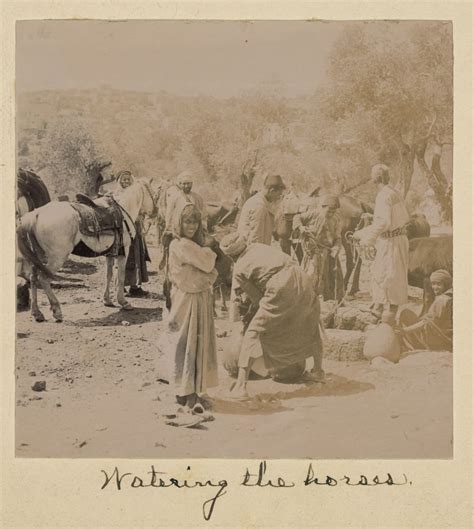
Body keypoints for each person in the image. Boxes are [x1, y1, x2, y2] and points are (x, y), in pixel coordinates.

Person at [221, 232, 325, 399]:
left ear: (230, 257)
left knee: (253, 333)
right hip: (301, 277)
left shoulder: (239, 268)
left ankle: (241, 386)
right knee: (309, 323)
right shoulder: (259, 247)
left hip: (281, 285)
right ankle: (318, 371)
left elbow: (258, 300)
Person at [164, 201, 219, 414]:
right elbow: (207, 266)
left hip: (197, 297)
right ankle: (186, 391)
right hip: (187, 300)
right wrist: (209, 268)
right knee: (186, 342)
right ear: (180, 222)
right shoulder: (180, 245)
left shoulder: (192, 245)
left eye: (195, 222)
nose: (191, 226)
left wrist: (205, 273)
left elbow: (203, 271)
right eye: (187, 221)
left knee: (197, 342)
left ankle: (193, 390)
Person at [353, 164, 410, 323]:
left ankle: (386, 322)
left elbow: (383, 223)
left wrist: (366, 239)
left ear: (375, 178)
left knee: (387, 277)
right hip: (398, 238)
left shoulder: (383, 196)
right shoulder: (394, 193)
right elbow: (397, 219)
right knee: (388, 276)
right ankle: (378, 309)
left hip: (390, 242)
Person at [293, 194, 344, 301]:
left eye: (333, 211)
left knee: (333, 277)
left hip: (329, 252)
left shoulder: (337, 219)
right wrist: (301, 227)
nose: (330, 213)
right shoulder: (314, 214)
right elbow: (297, 217)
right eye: (329, 211)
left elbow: (338, 237)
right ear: (323, 207)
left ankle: (331, 300)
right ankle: (308, 300)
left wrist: (336, 247)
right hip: (314, 252)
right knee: (312, 275)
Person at [114, 170, 151, 297]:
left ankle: (135, 286)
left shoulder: (136, 195)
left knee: (136, 257)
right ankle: (120, 286)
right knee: (122, 257)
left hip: (136, 229)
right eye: (123, 179)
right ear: (119, 182)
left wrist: (141, 214)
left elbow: (141, 208)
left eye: (128, 179)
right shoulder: (116, 196)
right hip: (122, 230)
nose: (126, 182)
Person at [398, 269, 453, 351]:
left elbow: (426, 323)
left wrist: (404, 331)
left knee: (405, 314)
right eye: (433, 284)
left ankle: (419, 345)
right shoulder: (450, 297)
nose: (435, 287)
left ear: (446, 284)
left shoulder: (442, 300)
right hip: (446, 336)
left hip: (438, 339)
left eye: (439, 284)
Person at [237, 174, 286, 245]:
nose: (278, 198)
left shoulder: (258, 201)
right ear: (272, 191)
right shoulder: (259, 207)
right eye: (278, 195)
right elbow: (256, 240)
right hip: (254, 251)